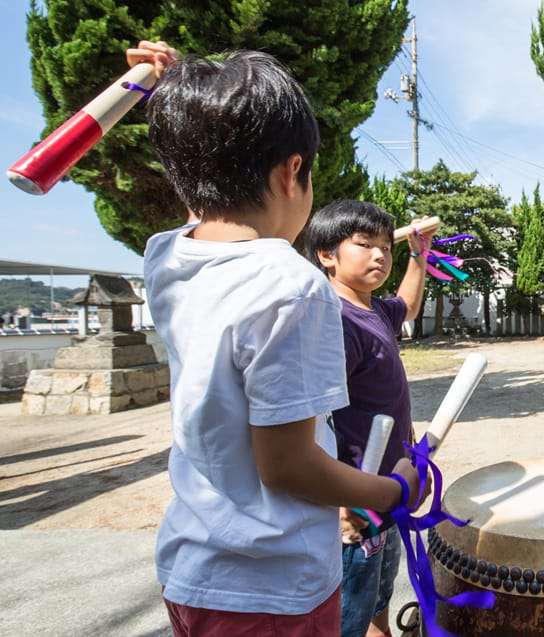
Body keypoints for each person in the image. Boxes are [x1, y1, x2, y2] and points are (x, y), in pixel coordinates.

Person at [130, 40, 424, 636]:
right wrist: (392, 491)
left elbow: (203, 207)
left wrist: (179, 96)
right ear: (293, 171)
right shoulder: (289, 285)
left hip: (193, 565)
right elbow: (288, 467)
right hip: (269, 584)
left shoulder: (167, 257)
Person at [305, 200, 434, 637]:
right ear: (327, 255)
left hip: (385, 488)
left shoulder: (373, 310)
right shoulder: (339, 322)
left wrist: (419, 252)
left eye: (385, 246)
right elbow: (316, 418)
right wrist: (339, 498)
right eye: (364, 245)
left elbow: (409, 305)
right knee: (349, 612)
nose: (380, 254)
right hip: (354, 500)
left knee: (379, 595)